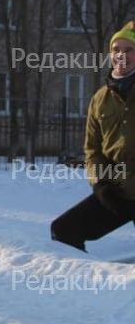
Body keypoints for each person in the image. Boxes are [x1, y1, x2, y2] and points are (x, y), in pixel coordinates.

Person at [51, 22, 135, 251]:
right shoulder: (100, 98)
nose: (121, 55)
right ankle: (85, 284)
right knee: (64, 230)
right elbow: (93, 150)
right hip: (118, 191)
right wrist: (102, 187)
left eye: (129, 50)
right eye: (116, 50)